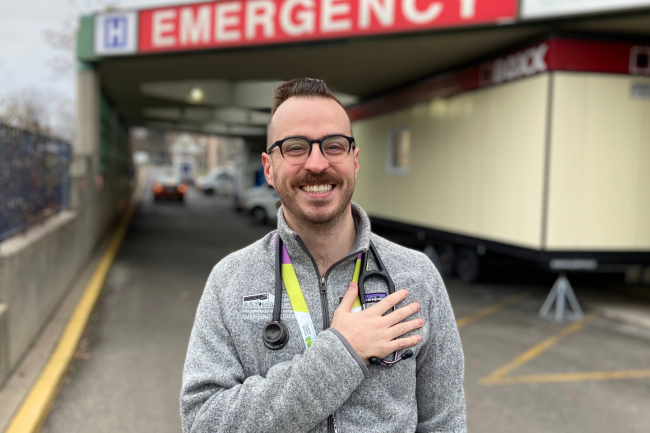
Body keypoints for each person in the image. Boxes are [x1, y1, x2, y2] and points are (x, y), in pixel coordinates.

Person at [180, 78, 466, 432]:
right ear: (269, 167)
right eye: (296, 147)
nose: (317, 164)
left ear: (354, 160)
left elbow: (445, 422)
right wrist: (341, 353)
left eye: (333, 146)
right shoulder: (230, 281)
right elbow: (203, 422)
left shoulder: (416, 276)